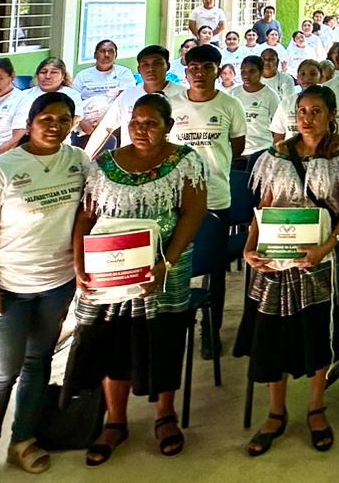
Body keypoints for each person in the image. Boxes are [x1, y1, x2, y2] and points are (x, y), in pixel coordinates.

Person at [65, 94, 207, 465]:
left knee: (162, 337)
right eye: (136, 123)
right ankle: (115, 420)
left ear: (169, 127)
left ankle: (164, 414)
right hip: (111, 271)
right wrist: (80, 266)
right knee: (114, 338)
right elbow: (85, 218)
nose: (142, 130)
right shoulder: (106, 164)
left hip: (163, 270)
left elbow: (193, 214)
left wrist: (168, 263)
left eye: (151, 124)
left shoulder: (184, 161)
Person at [0, 92, 85, 481]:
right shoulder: (2, 169)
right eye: (46, 119)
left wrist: (80, 270)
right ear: (29, 123)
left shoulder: (78, 162)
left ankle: (23, 441)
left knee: (38, 363)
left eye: (64, 119)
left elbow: (90, 209)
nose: (55, 126)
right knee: (1, 373)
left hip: (56, 284)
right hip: (6, 287)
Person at [236, 85, 339, 456]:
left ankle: (316, 407)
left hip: (319, 259)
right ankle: (276, 412)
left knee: (317, 331)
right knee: (274, 332)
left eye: (317, 111)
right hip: (275, 261)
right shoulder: (277, 154)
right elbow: (266, 205)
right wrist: (249, 247)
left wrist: (329, 245)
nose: (307, 118)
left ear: (332, 115)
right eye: (302, 111)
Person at [167, 44, 246, 220]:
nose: (200, 73)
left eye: (207, 68)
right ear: (186, 73)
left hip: (216, 195)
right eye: (194, 68)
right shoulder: (171, 105)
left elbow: (238, 146)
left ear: (218, 72)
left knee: (214, 245)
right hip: (177, 195)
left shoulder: (231, 105)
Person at [86, 46, 186, 158]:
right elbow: (105, 128)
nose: (151, 69)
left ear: (167, 66)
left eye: (157, 63)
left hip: (170, 161)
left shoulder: (184, 95)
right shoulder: (128, 96)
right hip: (131, 162)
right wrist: (85, 158)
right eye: (145, 64)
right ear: (139, 69)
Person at [9, 58, 81, 147]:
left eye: (54, 72)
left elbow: (75, 120)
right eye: (43, 72)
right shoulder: (24, 95)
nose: (47, 76)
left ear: (63, 76)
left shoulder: (72, 94)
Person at [227, 56, 282, 168]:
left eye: (252, 71)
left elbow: (278, 127)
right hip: (238, 154)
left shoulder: (270, 95)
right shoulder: (233, 94)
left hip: (262, 151)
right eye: (243, 71)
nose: (246, 75)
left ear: (261, 72)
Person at [75, 41, 136, 139]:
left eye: (111, 51)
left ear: (116, 55)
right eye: (102, 51)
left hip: (114, 124)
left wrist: (103, 124)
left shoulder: (124, 73)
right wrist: (83, 123)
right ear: (95, 55)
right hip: (85, 124)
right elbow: (73, 102)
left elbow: (123, 100)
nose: (106, 55)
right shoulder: (82, 75)